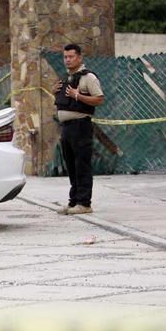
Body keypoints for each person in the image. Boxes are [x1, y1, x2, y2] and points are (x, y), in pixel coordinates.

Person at [52, 43, 105, 215]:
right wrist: (55, 92)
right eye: (65, 57)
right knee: (71, 166)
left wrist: (78, 95)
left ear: (80, 57)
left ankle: (84, 203)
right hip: (66, 128)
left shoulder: (88, 77)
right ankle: (74, 201)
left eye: (71, 57)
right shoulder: (66, 78)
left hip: (80, 126)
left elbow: (99, 99)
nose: (67, 60)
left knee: (82, 165)